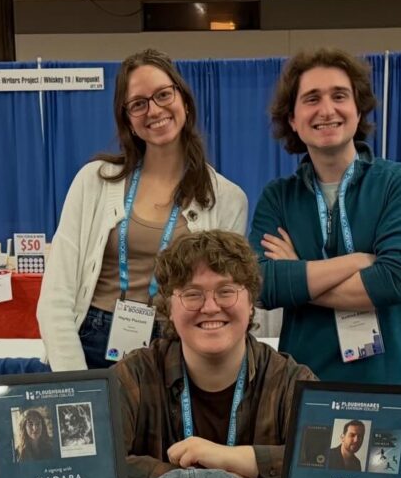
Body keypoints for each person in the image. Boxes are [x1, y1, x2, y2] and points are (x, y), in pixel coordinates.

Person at [38, 49, 248, 371]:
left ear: (185, 102)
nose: (154, 110)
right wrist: (76, 383)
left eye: (164, 95)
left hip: (177, 345)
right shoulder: (93, 182)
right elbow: (55, 296)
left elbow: (222, 301)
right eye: (139, 103)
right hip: (93, 341)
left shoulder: (228, 199)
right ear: (128, 122)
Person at [249, 49, 401, 386]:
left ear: (358, 108)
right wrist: (360, 261)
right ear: (292, 118)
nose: (327, 110)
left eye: (339, 96)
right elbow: (262, 284)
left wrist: (298, 273)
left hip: (393, 387)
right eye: (311, 99)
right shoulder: (278, 197)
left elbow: (395, 280)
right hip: (305, 386)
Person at [114, 230, 315, 478]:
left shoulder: (292, 381)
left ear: (251, 303)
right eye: (192, 294)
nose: (210, 307)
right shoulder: (132, 376)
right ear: (170, 309)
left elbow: (324, 464)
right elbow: (98, 465)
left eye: (226, 291)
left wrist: (231, 457)